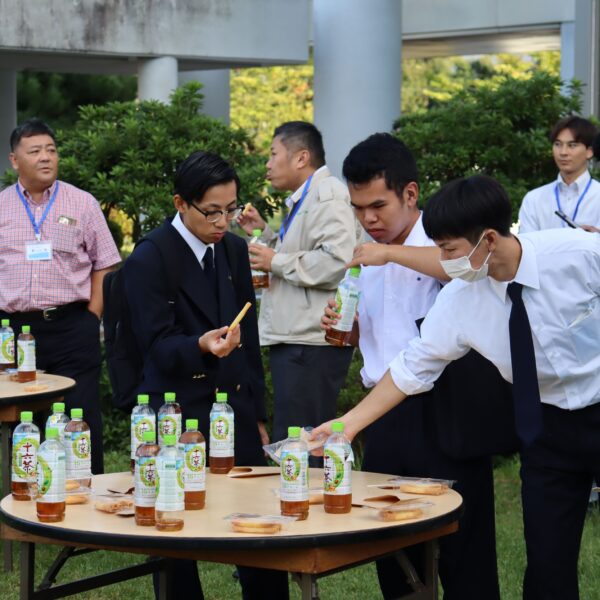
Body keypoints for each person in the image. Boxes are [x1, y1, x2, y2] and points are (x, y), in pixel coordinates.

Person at [314, 174, 600, 600]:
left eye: (448, 250)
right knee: (548, 566)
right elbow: (412, 367)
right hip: (546, 430)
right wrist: (349, 424)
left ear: (489, 239)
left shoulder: (578, 254)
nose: (443, 262)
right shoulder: (460, 299)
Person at [320, 133, 505, 600]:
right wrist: (350, 330)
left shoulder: (442, 239)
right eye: (358, 208)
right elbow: (384, 332)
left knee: (464, 552)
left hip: (447, 410)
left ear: (410, 193)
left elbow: (464, 267)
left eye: (377, 206)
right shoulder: (367, 255)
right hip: (383, 412)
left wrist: (389, 253)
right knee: (393, 549)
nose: (369, 219)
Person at [123, 150, 289, 600]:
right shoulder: (150, 258)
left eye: (230, 210)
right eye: (212, 211)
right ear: (181, 203)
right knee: (175, 530)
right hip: (176, 408)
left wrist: (257, 411)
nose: (222, 222)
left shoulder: (232, 250)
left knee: (259, 526)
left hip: (233, 405)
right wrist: (199, 344)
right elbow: (154, 345)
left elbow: (247, 337)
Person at [0, 118, 121, 475]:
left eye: (51, 150)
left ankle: (85, 492)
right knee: (25, 424)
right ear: (15, 160)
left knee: (79, 419)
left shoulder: (82, 203)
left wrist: (92, 317)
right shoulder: (2, 206)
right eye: (35, 151)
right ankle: (27, 498)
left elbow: (106, 263)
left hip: (72, 327)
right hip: (15, 333)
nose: (45, 157)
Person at [237, 121, 357, 446]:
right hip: (299, 337)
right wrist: (266, 234)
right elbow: (302, 252)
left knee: (303, 443)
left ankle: (312, 484)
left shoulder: (328, 196)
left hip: (310, 340)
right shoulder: (307, 197)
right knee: (296, 439)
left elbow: (336, 261)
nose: (268, 163)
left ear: (301, 157)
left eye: (273, 154)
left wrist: (274, 260)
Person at [519, 116, 600, 233]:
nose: (563, 152)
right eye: (558, 144)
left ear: (589, 151)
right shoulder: (534, 199)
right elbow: (527, 243)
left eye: (572, 145)